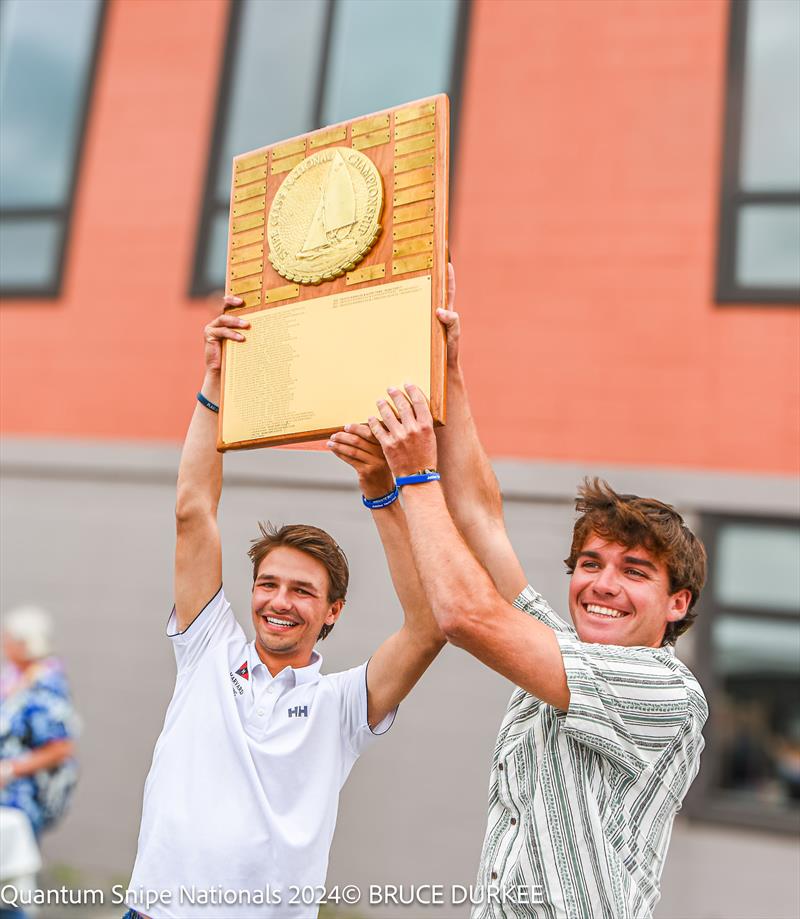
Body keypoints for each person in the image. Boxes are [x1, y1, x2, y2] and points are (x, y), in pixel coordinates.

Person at [357, 265, 708, 919]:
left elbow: (466, 614)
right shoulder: (554, 651)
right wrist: (451, 371)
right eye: (591, 562)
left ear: (678, 602)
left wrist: (412, 472)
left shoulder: (667, 691)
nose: (603, 583)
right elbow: (484, 518)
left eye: (635, 571)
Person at [123, 298, 444, 919]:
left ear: (333, 613)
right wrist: (216, 382)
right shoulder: (206, 649)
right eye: (268, 584)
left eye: (302, 591)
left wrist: (382, 490)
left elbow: (428, 628)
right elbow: (194, 510)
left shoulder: (343, 705)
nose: (279, 601)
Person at [0, 606, 79, 918]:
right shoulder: (15, 678)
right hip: (7, 798)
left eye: (9, 638)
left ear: (25, 643)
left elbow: (60, 748)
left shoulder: (46, 684)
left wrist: (9, 768)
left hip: (23, 799)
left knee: (11, 883)